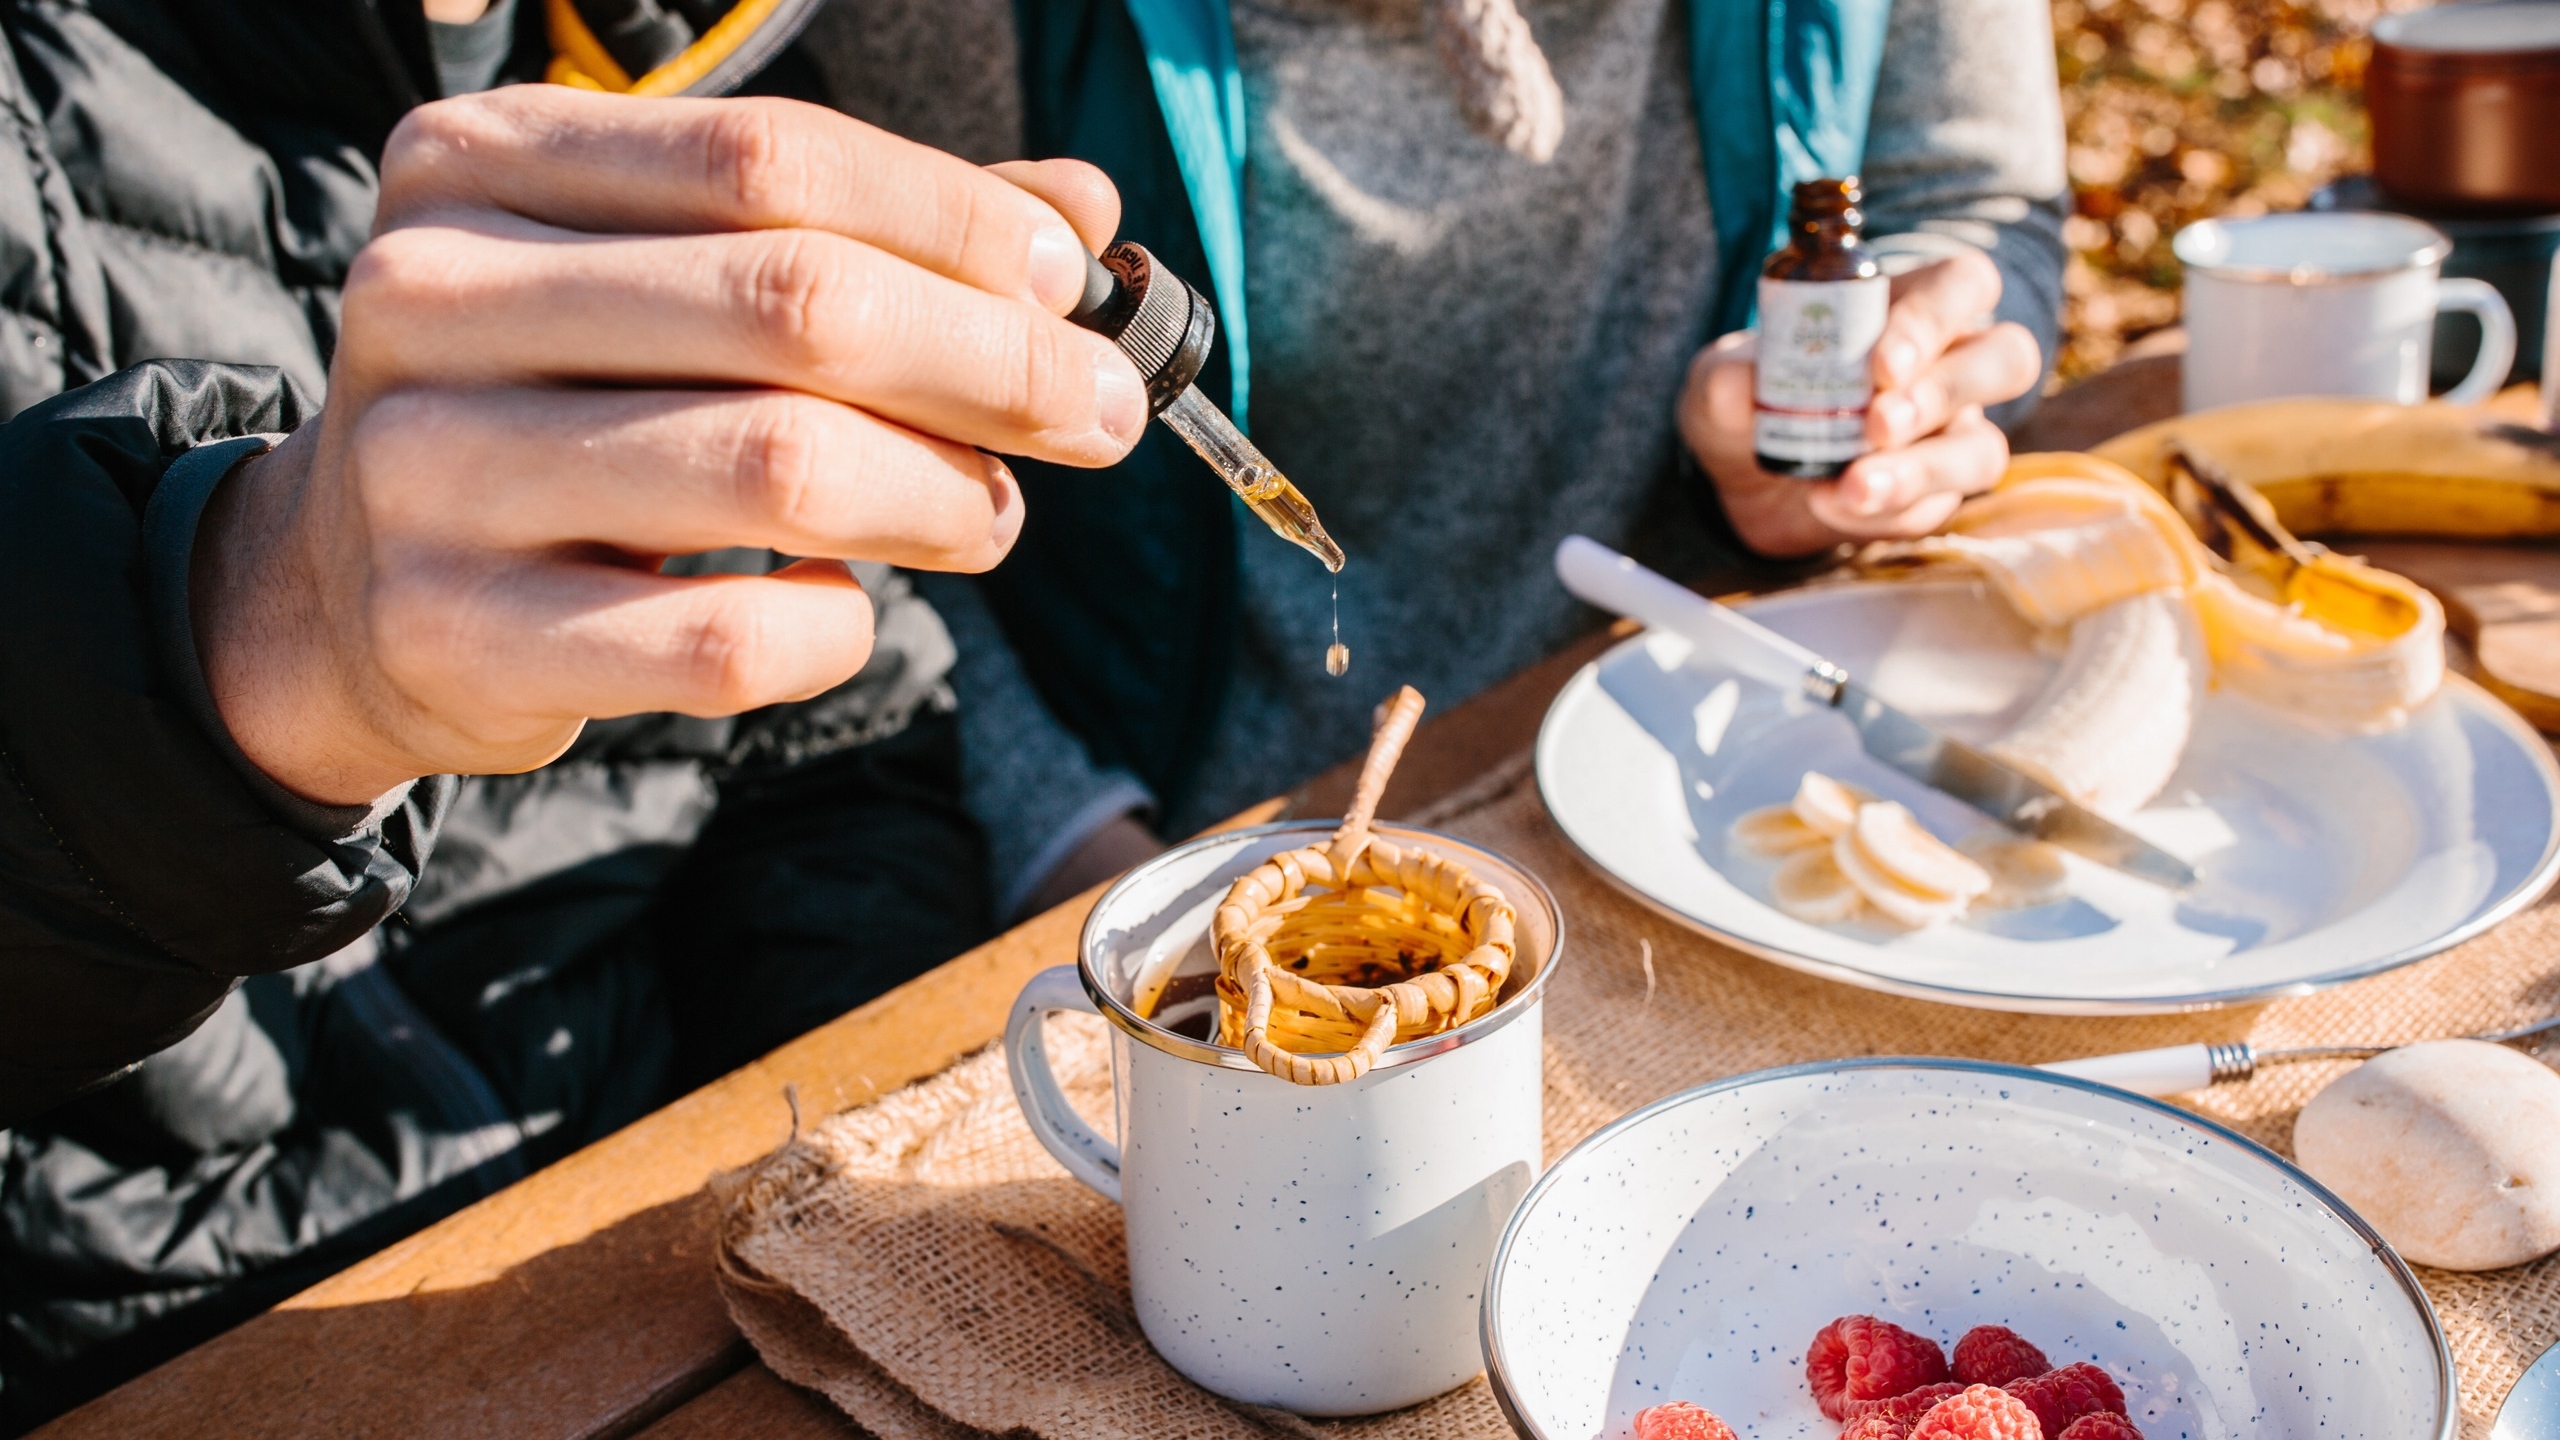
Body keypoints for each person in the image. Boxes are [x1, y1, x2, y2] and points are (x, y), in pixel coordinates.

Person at [0, 3, 1145, 1427]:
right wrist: (226, 643)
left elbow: (827, 756)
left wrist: (867, 1210)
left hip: (689, 1288)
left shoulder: (667, 39)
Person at [905, 0, 2070, 919]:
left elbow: (1967, 197)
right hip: (1168, 842)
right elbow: (860, 450)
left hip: (1726, 780)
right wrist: (1068, 838)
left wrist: (1874, 406)